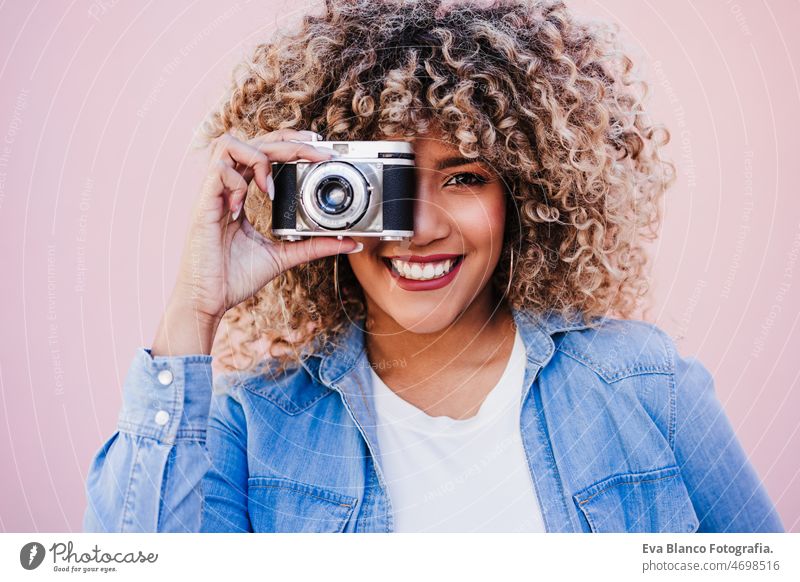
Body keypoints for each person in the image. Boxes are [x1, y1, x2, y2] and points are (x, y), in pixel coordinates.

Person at [82, 0, 784, 533]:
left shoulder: (646, 387)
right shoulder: (251, 428)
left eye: (464, 178)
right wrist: (194, 306)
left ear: (525, 195)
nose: (419, 228)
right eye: (382, 184)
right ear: (316, 193)